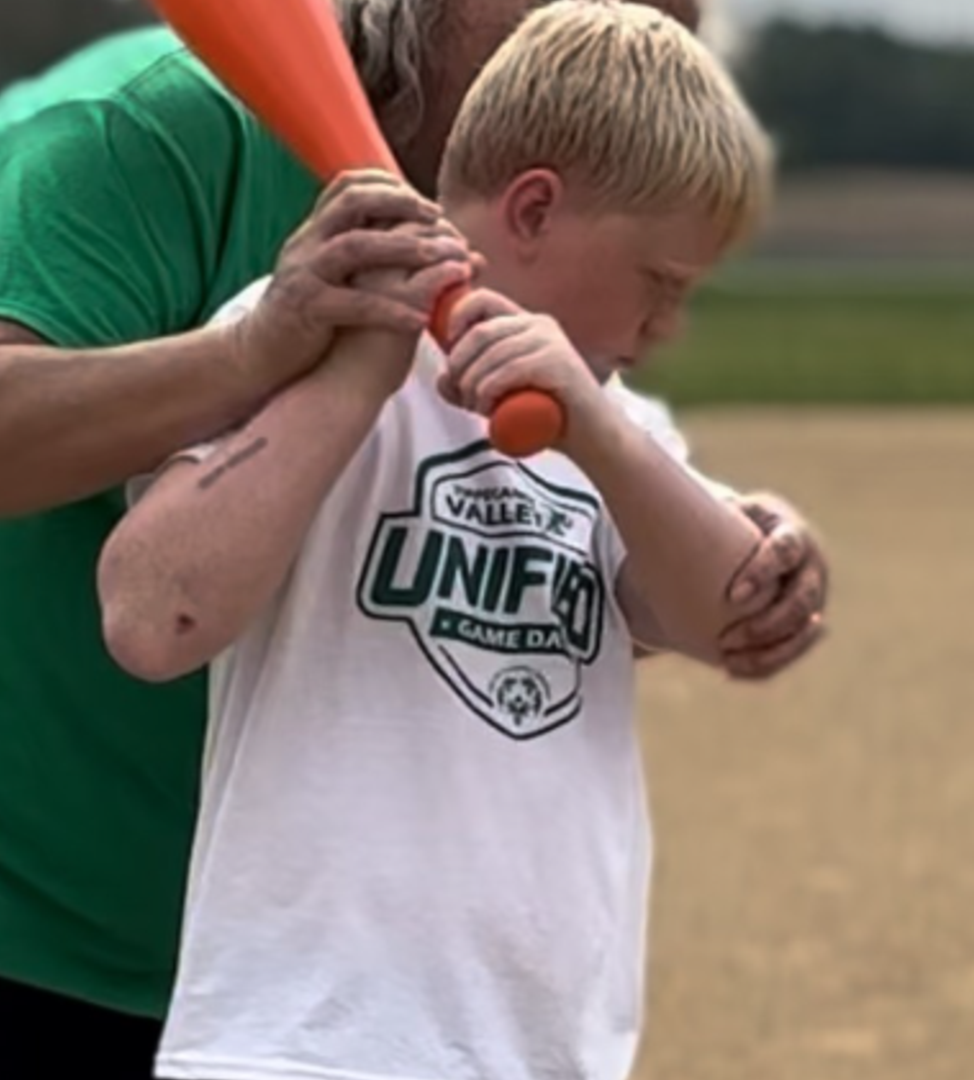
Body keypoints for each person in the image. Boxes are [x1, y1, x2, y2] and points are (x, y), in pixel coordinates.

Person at [0, 1, 827, 1078]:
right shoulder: (154, 123)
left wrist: (722, 528)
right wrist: (263, 349)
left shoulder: (551, 321)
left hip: (228, 947)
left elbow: (550, 588)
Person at [99, 6, 772, 1077]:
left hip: (544, 1052)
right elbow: (151, 615)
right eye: (658, 284)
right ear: (537, 208)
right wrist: (361, 366)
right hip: (297, 1043)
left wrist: (598, 431)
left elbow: (722, 616)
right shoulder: (295, 338)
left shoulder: (617, 428)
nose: (662, 328)